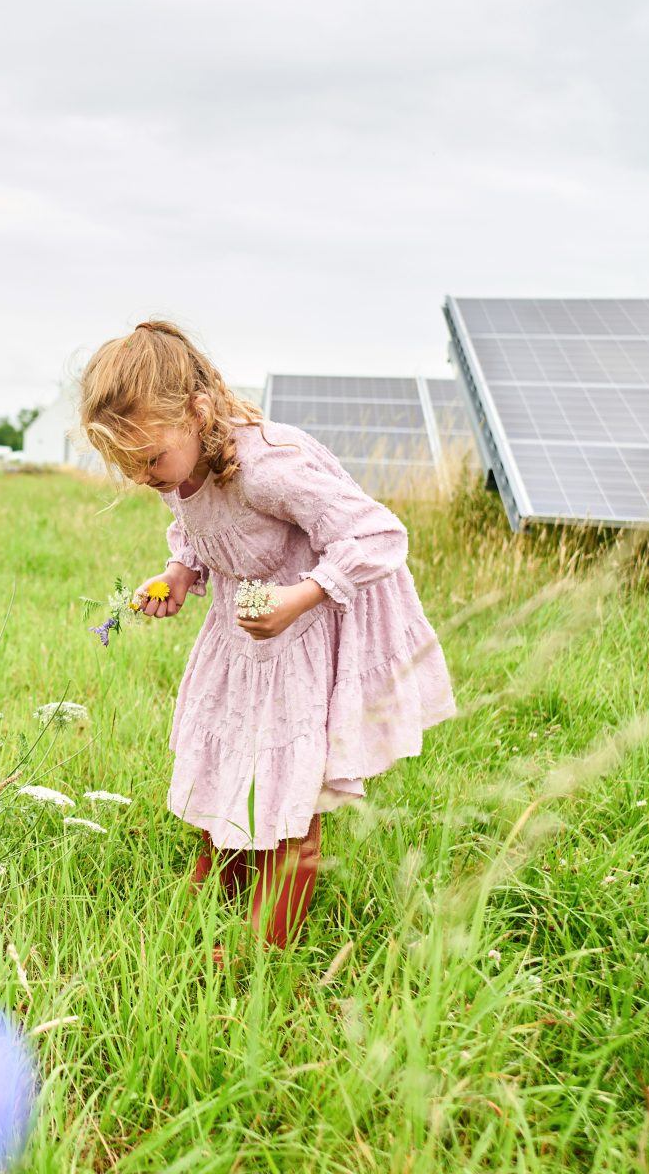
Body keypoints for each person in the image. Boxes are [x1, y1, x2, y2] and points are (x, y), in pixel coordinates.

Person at [79, 321, 456, 957]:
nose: (147, 479)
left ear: (197, 413)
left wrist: (299, 596)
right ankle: (214, 898)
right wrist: (179, 574)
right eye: (131, 467)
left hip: (298, 644)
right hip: (240, 644)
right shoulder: (179, 469)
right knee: (227, 767)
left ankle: (262, 945)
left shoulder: (267, 470)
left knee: (285, 795)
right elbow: (194, 525)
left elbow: (379, 536)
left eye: (150, 461)